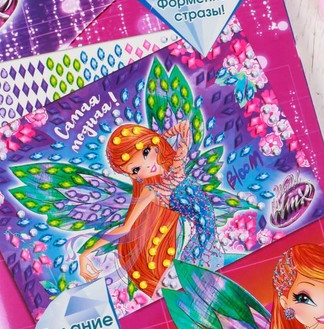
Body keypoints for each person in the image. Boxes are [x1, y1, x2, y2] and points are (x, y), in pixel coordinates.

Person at [78, 121, 219, 296]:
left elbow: (184, 128)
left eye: (146, 152)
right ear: (133, 176)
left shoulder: (176, 168)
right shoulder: (151, 191)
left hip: (206, 235)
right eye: (136, 169)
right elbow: (125, 228)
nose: (147, 165)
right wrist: (86, 254)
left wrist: (161, 137)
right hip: (199, 239)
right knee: (198, 284)